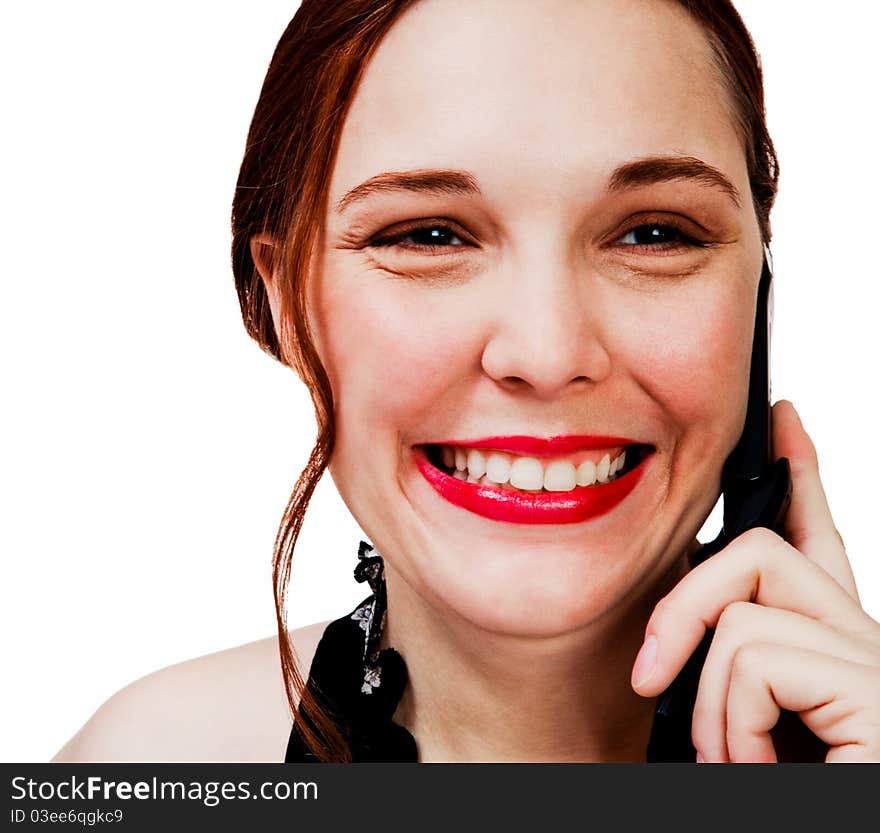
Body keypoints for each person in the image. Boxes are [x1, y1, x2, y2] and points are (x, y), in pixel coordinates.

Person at [53, 0, 880, 763]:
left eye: (653, 233)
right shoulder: (141, 765)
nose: (548, 351)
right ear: (286, 304)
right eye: (430, 234)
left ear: (757, 293)